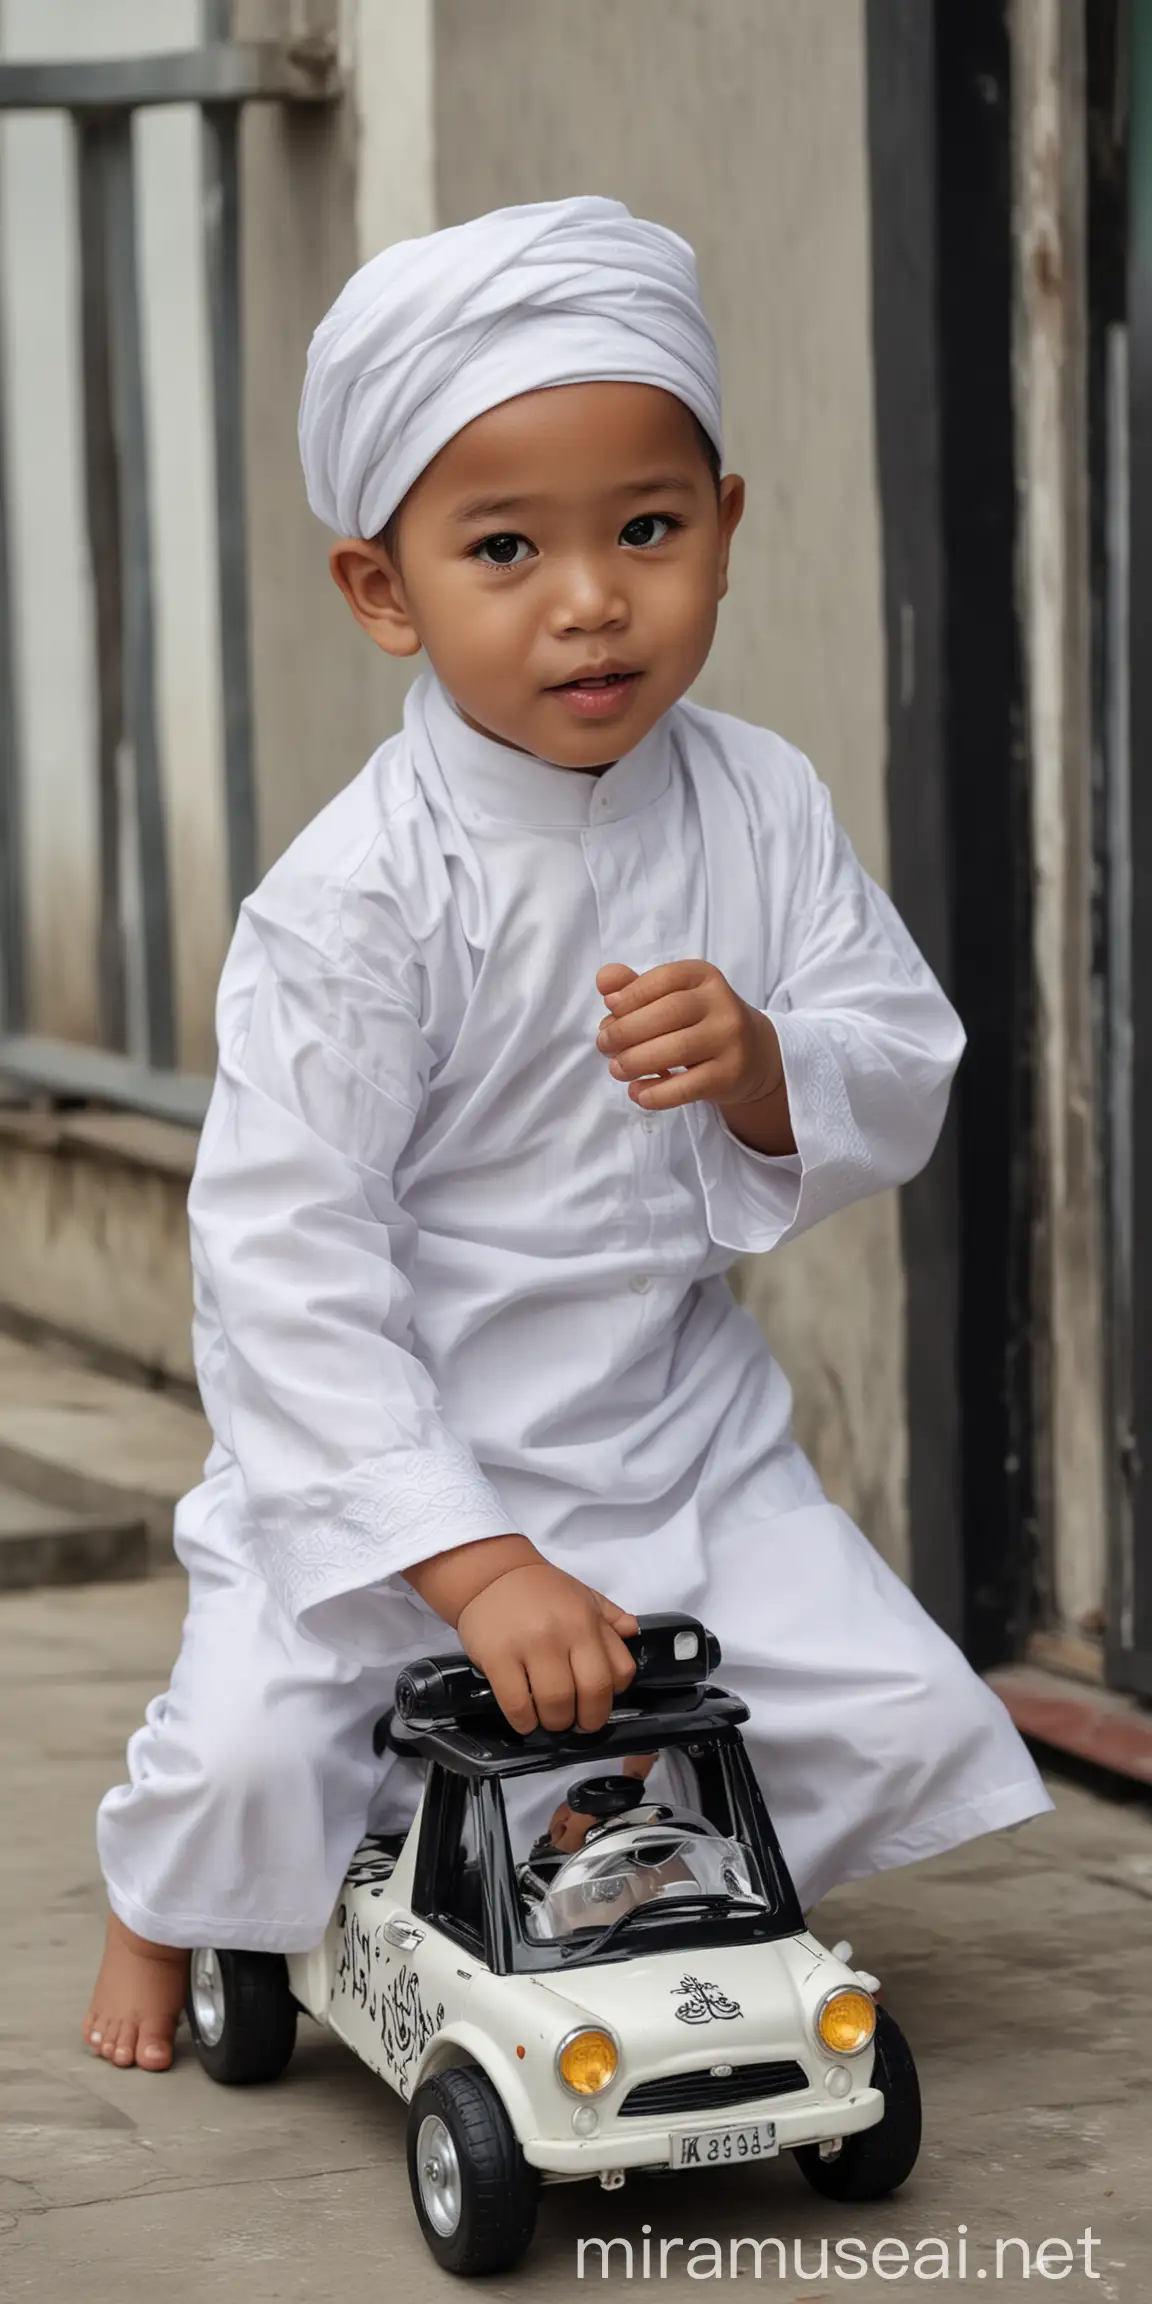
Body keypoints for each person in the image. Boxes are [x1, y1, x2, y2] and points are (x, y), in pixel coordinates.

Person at [84, 196, 1051, 2073]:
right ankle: (165, 1903)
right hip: (396, 1460)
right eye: (505, 546)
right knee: (261, 1755)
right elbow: (283, 1259)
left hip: (666, 1421)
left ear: (725, 530)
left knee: (884, 1704)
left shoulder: (760, 801)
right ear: (385, 592)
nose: (590, 597)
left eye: (647, 531)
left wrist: (775, 1069)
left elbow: (901, 1053)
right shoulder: (356, 897)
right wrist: (470, 1561)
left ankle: (590, 1882)